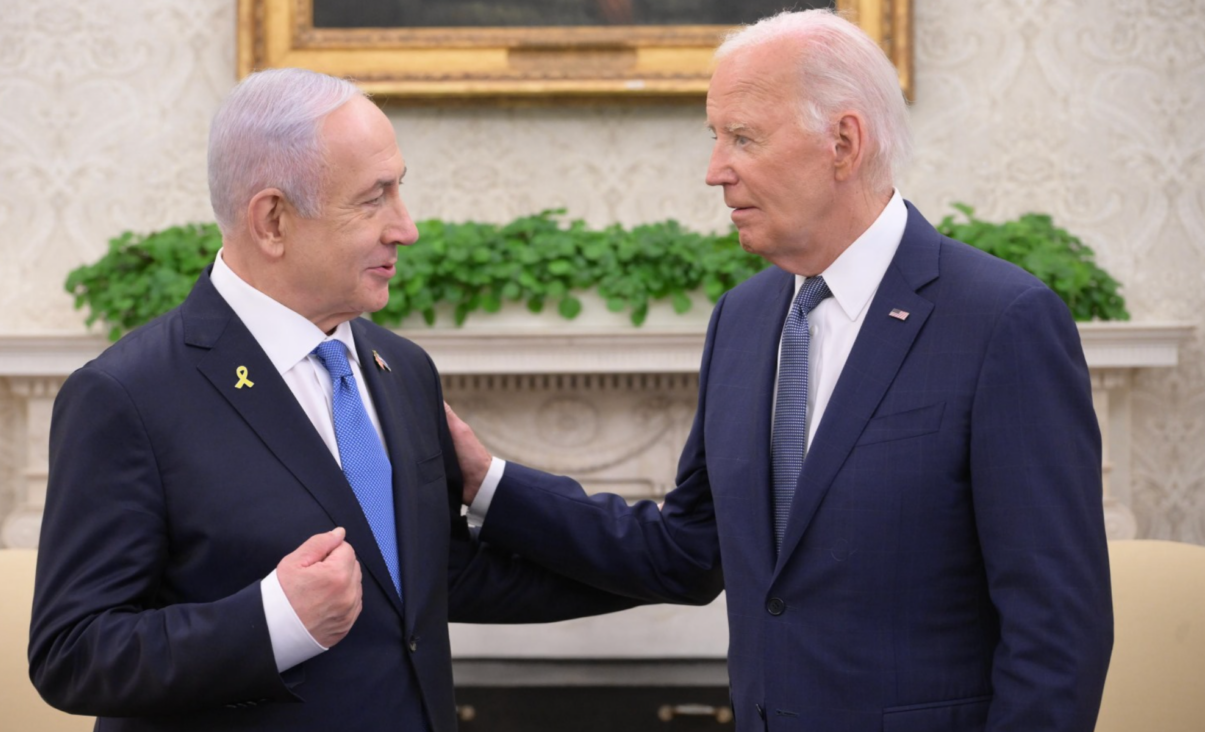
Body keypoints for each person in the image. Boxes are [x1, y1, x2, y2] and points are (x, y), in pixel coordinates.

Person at [448, 9, 1114, 731]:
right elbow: (686, 548)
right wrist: (491, 483)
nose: (714, 171)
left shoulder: (1002, 321)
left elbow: (1057, 635)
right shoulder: (743, 318)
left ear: (843, 142)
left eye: (743, 138)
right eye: (715, 138)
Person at [28, 68, 637, 731]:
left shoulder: (401, 367)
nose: (405, 228)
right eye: (374, 200)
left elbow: (432, 578)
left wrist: (683, 563)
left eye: (400, 190)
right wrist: (275, 623)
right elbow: (73, 653)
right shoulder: (126, 396)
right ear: (273, 220)